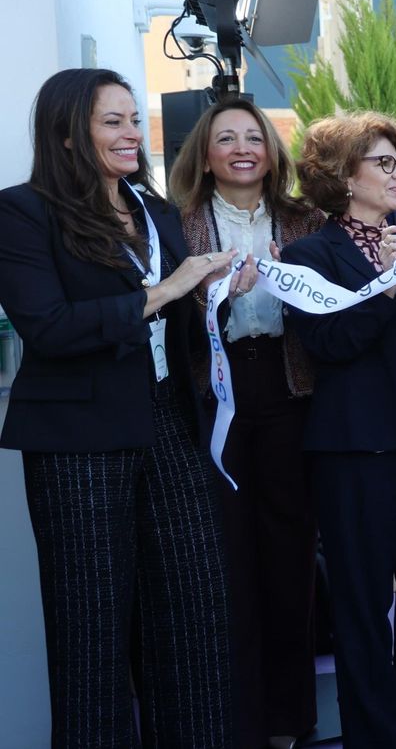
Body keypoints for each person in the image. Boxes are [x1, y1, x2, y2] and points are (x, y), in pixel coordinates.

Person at [0, 68, 237, 747]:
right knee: (92, 632)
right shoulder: (21, 212)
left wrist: (209, 293)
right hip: (78, 442)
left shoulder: (156, 210)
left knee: (195, 617)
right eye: (113, 121)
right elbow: (47, 327)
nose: (133, 133)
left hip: (168, 420)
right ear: (67, 134)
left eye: (134, 119)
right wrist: (166, 290)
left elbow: (175, 316)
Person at [282, 112, 396, 749]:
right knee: (363, 610)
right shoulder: (309, 253)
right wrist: (390, 285)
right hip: (355, 451)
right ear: (341, 175)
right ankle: (384, 739)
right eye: (383, 164)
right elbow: (331, 343)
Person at [167, 97, 325, 748]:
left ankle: (291, 720)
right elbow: (168, 319)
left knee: (290, 555)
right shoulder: (179, 225)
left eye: (252, 138)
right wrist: (209, 296)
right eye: (225, 138)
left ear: (271, 150)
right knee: (228, 557)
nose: (240, 149)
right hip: (216, 397)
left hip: (288, 391)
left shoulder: (304, 220)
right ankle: (241, 719)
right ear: (204, 153)